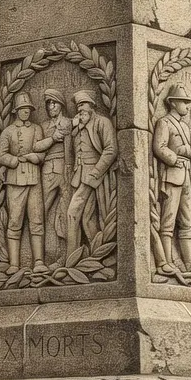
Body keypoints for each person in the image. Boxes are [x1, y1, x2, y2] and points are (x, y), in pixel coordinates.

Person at [0, 92, 53, 273]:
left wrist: (34, 157)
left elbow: (42, 152)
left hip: (34, 179)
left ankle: (38, 262)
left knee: (36, 221)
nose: (25, 112)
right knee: (14, 221)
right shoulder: (8, 131)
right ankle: (14, 264)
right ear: (16, 111)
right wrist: (14, 161)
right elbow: (0, 155)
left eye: (28, 109)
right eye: (22, 109)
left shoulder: (37, 129)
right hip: (15, 181)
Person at [65, 90, 118, 257]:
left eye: (83, 105)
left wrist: (96, 173)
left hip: (95, 176)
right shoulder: (77, 127)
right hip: (79, 176)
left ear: (92, 106)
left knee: (72, 212)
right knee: (87, 219)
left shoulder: (102, 122)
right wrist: (71, 128)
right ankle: (96, 255)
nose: (80, 110)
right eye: (78, 107)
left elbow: (110, 150)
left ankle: (71, 257)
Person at [151, 83, 191, 274]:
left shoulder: (186, 127)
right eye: (184, 102)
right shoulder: (164, 122)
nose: (187, 106)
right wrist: (174, 158)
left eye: (188, 103)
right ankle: (166, 261)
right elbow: (159, 147)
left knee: (188, 221)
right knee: (168, 220)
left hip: (186, 175)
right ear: (173, 103)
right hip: (172, 175)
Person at [40, 88, 73, 262]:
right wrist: (53, 137)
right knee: (41, 211)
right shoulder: (43, 126)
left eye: (54, 103)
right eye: (48, 104)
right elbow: (36, 147)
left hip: (66, 170)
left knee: (66, 211)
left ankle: (65, 254)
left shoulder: (69, 122)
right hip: (48, 170)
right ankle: (40, 256)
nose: (51, 107)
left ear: (60, 105)